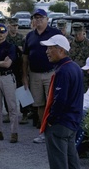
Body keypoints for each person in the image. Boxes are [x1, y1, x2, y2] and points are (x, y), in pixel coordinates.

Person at [39, 34, 84, 169]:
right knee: (71, 162)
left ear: (61, 50)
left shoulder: (63, 71)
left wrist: (50, 120)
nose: (47, 51)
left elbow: (60, 100)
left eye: (51, 48)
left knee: (59, 165)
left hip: (60, 124)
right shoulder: (74, 68)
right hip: (71, 123)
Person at [23, 9, 62, 143]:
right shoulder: (29, 36)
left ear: (47, 19)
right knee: (39, 104)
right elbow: (25, 57)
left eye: (41, 18)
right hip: (34, 75)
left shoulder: (55, 33)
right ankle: (43, 132)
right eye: (36, 18)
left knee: (52, 103)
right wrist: (24, 76)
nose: (38, 20)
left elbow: (63, 51)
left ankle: (54, 132)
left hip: (51, 73)